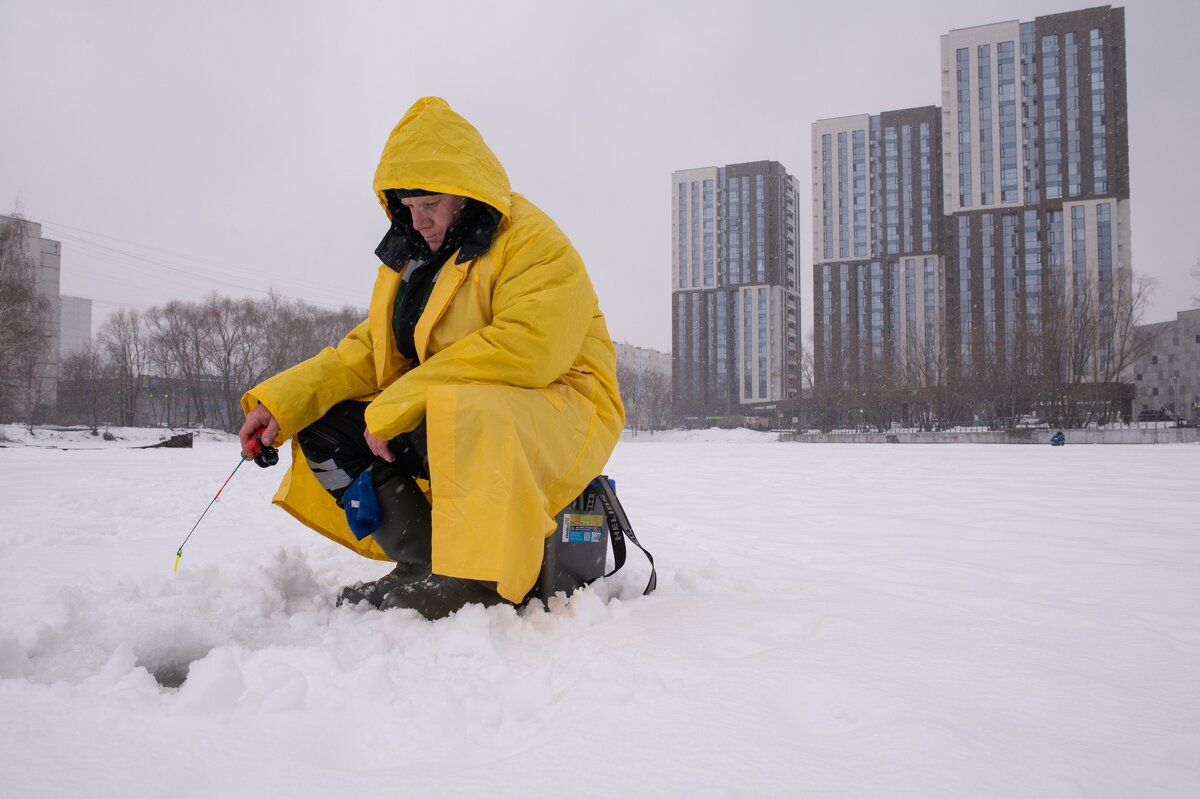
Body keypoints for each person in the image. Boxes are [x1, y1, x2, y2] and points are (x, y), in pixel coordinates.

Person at [238, 97, 624, 619]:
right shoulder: (414, 263)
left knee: (469, 411)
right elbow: (370, 351)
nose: (418, 221)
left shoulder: (534, 242)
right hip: (455, 403)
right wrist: (283, 405)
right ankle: (427, 563)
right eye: (408, 206)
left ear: (467, 196)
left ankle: (477, 578)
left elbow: (529, 348)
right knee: (328, 428)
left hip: (563, 405)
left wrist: (404, 400)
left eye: (431, 206)